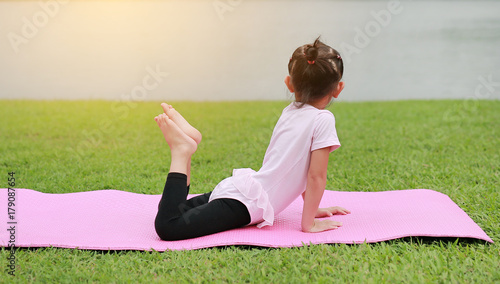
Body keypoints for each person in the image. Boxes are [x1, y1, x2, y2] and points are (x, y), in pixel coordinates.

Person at [154, 37, 351, 241]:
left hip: (243, 190)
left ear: (289, 84)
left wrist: (313, 209)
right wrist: (308, 223)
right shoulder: (323, 119)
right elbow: (315, 175)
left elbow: (299, 166)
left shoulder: (291, 111)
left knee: (173, 210)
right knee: (169, 226)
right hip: (247, 204)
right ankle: (181, 151)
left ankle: (188, 145)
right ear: (338, 88)